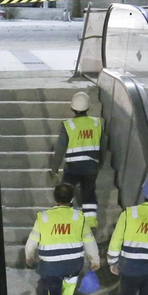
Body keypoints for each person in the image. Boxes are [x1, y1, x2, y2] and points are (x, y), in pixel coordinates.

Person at [24, 184, 100, 295]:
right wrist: (95, 260)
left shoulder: (44, 217)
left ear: (55, 197)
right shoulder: (79, 217)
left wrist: (29, 257)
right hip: (74, 264)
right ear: (72, 199)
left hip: (51, 267)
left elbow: (31, 242)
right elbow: (89, 241)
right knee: (71, 280)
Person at [50, 87, 104, 223]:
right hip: (91, 166)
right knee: (89, 193)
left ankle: (68, 220)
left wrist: (54, 167)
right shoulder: (97, 123)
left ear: (72, 108)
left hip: (73, 167)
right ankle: (90, 223)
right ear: (88, 107)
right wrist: (99, 164)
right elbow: (103, 146)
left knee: (66, 193)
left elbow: (60, 149)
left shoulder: (68, 125)